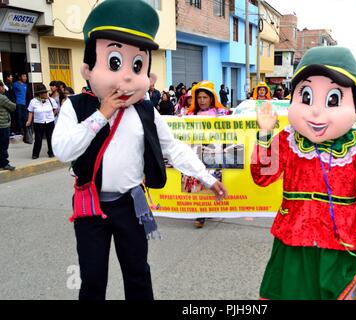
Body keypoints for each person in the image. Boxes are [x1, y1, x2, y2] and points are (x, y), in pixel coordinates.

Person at [51, 0, 227, 301]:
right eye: (115, 62)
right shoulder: (76, 106)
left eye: (137, 65)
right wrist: (101, 115)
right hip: (90, 205)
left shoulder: (146, 110)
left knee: (138, 274)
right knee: (92, 279)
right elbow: (63, 150)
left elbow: (172, 147)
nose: (129, 77)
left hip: (130, 204)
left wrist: (206, 177)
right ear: (88, 68)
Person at [252, 46, 356, 300]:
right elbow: (262, 176)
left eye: (333, 99)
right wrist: (265, 134)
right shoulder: (288, 140)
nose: (315, 111)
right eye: (306, 96)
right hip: (292, 241)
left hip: (343, 246)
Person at [188, 81, 228, 228]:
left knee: (212, 182)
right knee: (197, 183)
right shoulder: (190, 114)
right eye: (199, 98)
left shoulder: (221, 113)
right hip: (196, 154)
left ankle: (207, 209)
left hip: (213, 153)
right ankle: (200, 214)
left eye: (205, 97)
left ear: (211, 98)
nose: (202, 100)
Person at [26, 84, 57, 159]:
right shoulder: (33, 101)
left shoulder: (51, 100)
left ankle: (51, 152)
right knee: (38, 138)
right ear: (39, 94)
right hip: (38, 122)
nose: (46, 94)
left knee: (50, 137)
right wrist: (29, 121)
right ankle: (35, 154)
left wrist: (52, 115)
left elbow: (55, 108)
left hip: (50, 122)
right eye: (44, 93)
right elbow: (30, 112)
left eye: (46, 92)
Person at [0, 80, 16, 171]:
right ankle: (4, 163)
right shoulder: (2, 98)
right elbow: (13, 107)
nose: (3, 89)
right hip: (3, 125)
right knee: (3, 145)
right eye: (2, 87)